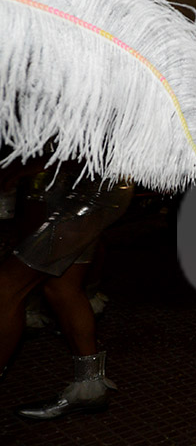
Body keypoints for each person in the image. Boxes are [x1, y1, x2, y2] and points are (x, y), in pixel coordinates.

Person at [0, 161, 132, 419]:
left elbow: (86, 149)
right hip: (84, 187)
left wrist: (18, 169)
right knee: (62, 288)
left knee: (7, 286)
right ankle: (89, 387)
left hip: (93, 190)